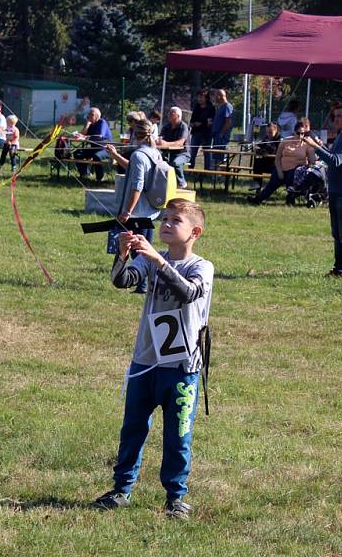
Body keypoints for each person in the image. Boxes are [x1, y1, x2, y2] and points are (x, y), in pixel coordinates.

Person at [93, 198, 213, 520]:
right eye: (165, 219)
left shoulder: (202, 267)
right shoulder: (149, 260)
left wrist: (158, 261)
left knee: (178, 435)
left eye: (176, 220)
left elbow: (187, 292)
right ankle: (121, 489)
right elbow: (123, 281)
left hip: (182, 368)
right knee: (132, 427)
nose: (166, 224)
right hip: (145, 361)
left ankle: (176, 497)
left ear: (195, 232)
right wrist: (123, 254)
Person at [304, 103, 342, 277]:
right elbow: (333, 156)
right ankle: (339, 268)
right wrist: (322, 147)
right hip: (337, 189)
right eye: (335, 116)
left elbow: (336, 160)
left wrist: (315, 147)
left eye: (339, 116)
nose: (335, 120)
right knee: (337, 233)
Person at [117, 118, 162, 294]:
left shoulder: (138, 155)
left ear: (135, 134)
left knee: (137, 249)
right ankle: (145, 283)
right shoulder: (154, 153)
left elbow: (137, 186)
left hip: (138, 211)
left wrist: (127, 211)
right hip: (150, 210)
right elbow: (133, 169)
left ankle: (142, 284)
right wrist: (114, 155)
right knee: (146, 248)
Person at [249, 118, 315, 205]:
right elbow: (277, 158)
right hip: (281, 168)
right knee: (272, 183)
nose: (300, 136)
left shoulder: (307, 145)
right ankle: (258, 199)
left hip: (296, 171)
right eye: (298, 133)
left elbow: (312, 161)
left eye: (302, 133)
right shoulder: (285, 141)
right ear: (294, 132)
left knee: (291, 177)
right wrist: (279, 171)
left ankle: (290, 199)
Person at [73, 107, 113, 181]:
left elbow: (99, 137)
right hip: (94, 148)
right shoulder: (91, 124)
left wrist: (85, 138)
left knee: (96, 156)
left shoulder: (102, 122)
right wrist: (87, 125)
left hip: (105, 148)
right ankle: (85, 174)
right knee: (77, 153)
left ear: (97, 116)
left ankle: (100, 178)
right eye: (88, 114)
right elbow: (83, 134)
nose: (88, 116)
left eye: (91, 114)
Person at [156, 106, 190, 189]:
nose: (169, 114)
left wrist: (166, 144)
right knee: (157, 160)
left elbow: (180, 143)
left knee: (175, 162)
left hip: (183, 154)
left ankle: (182, 182)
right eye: (169, 113)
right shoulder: (166, 126)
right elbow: (160, 138)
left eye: (172, 113)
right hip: (167, 152)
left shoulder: (183, 127)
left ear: (178, 116)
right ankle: (162, 183)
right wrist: (158, 141)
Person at [188, 89, 215, 168]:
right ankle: (190, 169)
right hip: (196, 133)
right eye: (198, 97)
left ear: (206, 98)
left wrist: (201, 124)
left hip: (206, 134)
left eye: (201, 97)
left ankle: (207, 170)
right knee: (192, 153)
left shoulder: (211, 108)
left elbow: (210, 122)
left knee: (207, 153)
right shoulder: (196, 107)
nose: (199, 98)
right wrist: (192, 123)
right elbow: (192, 118)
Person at [251, 122, 282, 190]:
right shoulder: (266, 137)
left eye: (270, 132)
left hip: (276, 165)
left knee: (259, 162)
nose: (268, 134)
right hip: (267, 162)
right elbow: (258, 147)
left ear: (276, 130)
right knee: (257, 162)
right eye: (267, 132)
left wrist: (264, 151)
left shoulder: (280, 139)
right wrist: (261, 150)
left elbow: (274, 150)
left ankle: (266, 188)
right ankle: (257, 186)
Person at [210, 89, 233, 170]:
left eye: (216, 96)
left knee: (221, 155)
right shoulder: (220, 107)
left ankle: (221, 174)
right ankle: (215, 173)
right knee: (216, 155)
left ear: (220, 96)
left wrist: (221, 134)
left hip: (221, 136)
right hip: (216, 135)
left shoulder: (227, 107)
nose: (215, 98)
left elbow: (228, 122)